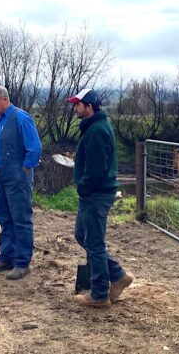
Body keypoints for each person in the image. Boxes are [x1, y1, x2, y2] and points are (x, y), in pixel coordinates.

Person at [67, 88, 133, 308]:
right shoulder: (94, 127)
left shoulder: (96, 131)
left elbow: (95, 170)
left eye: (78, 104)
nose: (75, 108)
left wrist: (84, 187)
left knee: (94, 243)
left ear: (90, 106)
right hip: (94, 193)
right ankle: (118, 275)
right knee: (82, 236)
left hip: (95, 194)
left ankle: (99, 294)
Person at [0, 85, 42, 280]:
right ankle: (6, 257)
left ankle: (22, 262)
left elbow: (34, 148)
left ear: (4, 99)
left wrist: (24, 169)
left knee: (21, 219)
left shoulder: (21, 118)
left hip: (16, 177)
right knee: (4, 216)